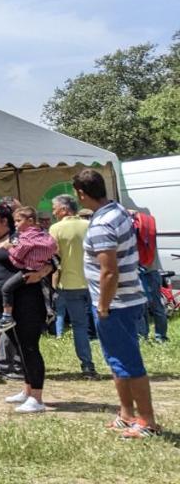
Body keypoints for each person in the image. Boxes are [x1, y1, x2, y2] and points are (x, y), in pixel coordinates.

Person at [74, 169, 160, 438]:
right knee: (116, 360)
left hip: (116, 302)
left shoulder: (101, 224)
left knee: (128, 361)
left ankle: (147, 421)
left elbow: (108, 270)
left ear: (81, 193)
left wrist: (102, 305)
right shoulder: (119, 211)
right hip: (127, 297)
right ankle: (126, 414)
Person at [0, 203, 51, 413]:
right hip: (1, 302)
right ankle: (27, 390)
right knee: (18, 347)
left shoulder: (20, 237)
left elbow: (50, 258)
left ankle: (37, 397)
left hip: (25, 300)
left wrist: (44, 271)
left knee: (29, 347)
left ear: (4, 221)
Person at [50, 194, 98, 378]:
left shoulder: (56, 228)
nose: (53, 211)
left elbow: (53, 255)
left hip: (70, 284)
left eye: (55, 208)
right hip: (94, 281)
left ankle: (87, 365)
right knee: (102, 322)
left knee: (79, 325)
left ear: (64, 209)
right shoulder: (90, 225)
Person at [0, 208, 57, 334]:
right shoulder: (42, 234)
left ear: (30, 220)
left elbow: (19, 253)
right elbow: (54, 249)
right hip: (37, 269)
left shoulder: (25, 237)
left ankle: (7, 317)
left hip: (28, 272)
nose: (15, 223)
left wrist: (9, 248)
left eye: (18, 220)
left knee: (6, 288)